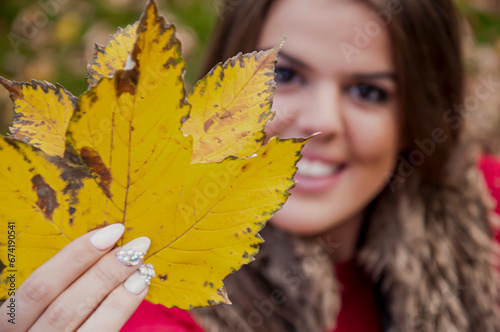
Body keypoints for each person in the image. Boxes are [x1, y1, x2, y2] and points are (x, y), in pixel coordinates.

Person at [2, 0, 500, 331]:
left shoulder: (484, 217)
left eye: (369, 91)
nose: (322, 122)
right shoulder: (141, 305)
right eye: (285, 74)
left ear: (418, 116)